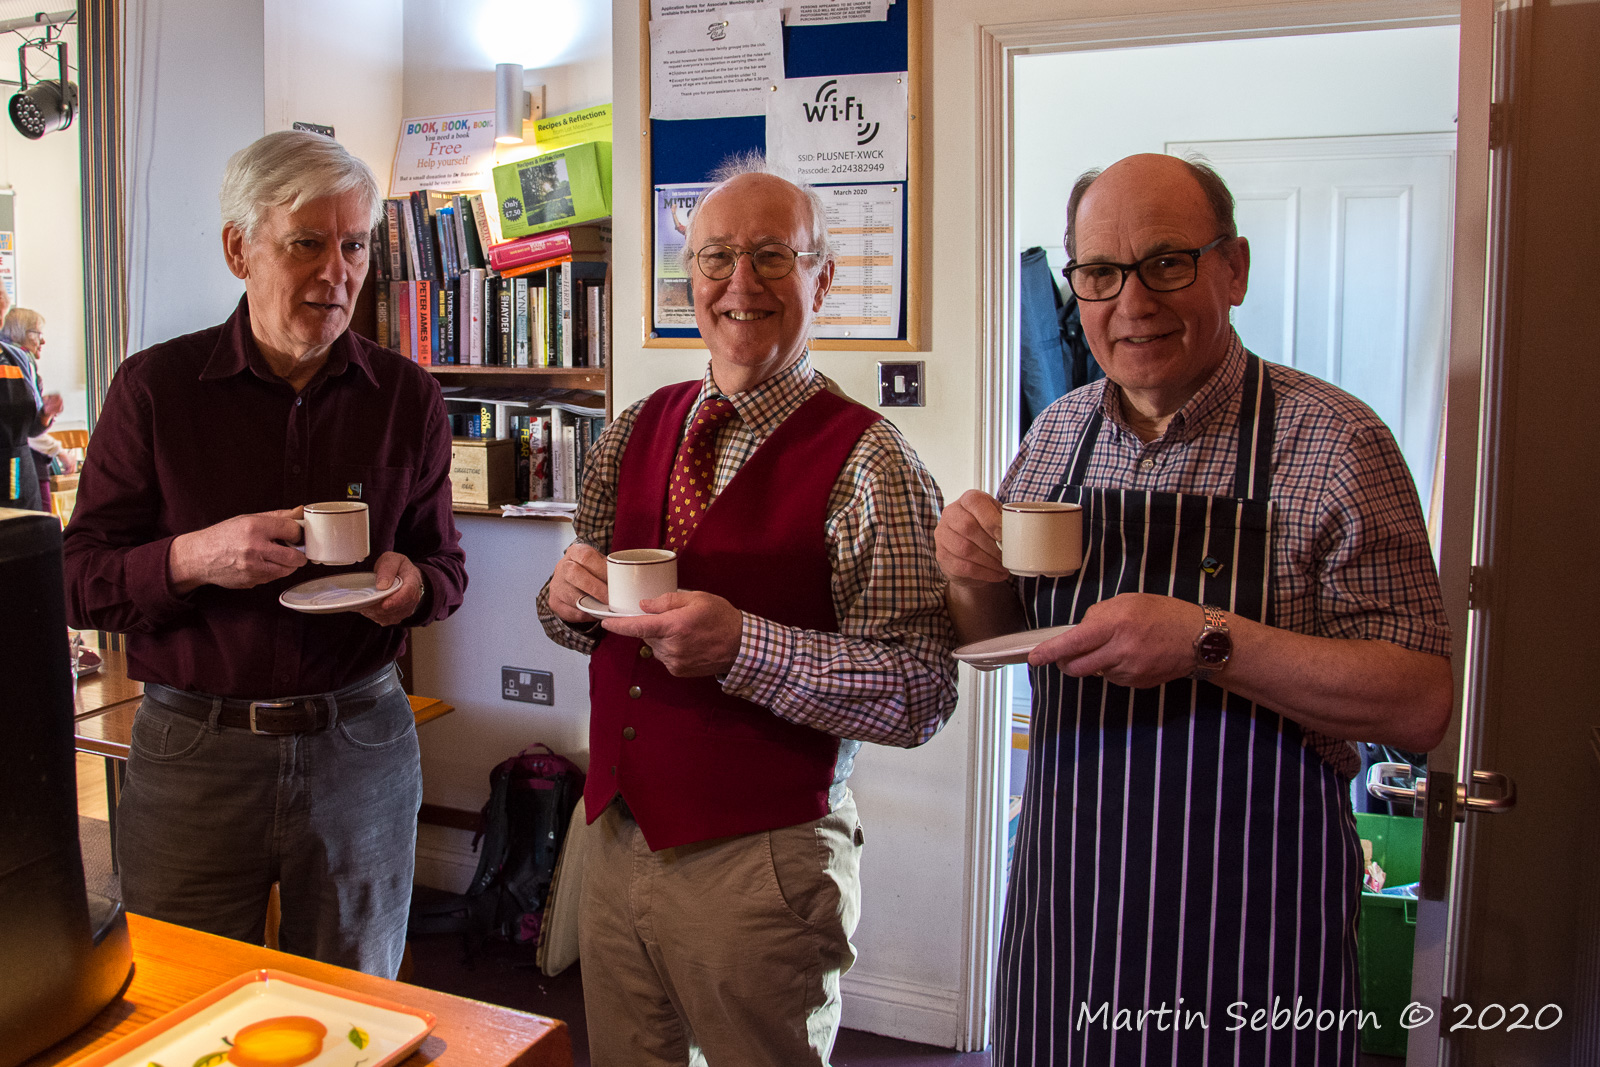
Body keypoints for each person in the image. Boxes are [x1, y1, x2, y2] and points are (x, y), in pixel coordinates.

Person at [935, 154, 1452, 1066]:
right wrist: (970, 574)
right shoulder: (1055, 434)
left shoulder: (1339, 442)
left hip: (1254, 921)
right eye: (1100, 272)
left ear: (1234, 268)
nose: (1131, 302)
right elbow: (999, 640)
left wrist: (1206, 641)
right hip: (1070, 903)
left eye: (1167, 262)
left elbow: (1419, 705)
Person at [538, 162, 958, 1067]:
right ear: (689, 278)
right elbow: (579, 609)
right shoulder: (635, 427)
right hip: (612, 838)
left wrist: (744, 648)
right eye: (717, 257)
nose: (741, 282)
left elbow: (921, 689)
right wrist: (561, 599)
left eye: (773, 256)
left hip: (762, 864)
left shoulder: (872, 461)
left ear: (823, 279)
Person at [62, 130, 466, 978]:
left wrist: (413, 585)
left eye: (354, 245)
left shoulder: (407, 397)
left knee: (355, 1002)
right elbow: (75, 580)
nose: (337, 272)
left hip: (361, 742)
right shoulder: (155, 389)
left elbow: (445, 568)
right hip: (195, 748)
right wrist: (193, 558)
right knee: (186, 998)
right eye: (307, 243)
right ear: (238, 250)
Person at [1, 307, 77, 509]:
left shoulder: (20, 360)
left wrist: (45, 413)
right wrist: (59, 451)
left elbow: (28, 426)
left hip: (21, 467)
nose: (42, 341)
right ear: (18, 332)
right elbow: (18, 428)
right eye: (37, 333)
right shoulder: (16, 361)